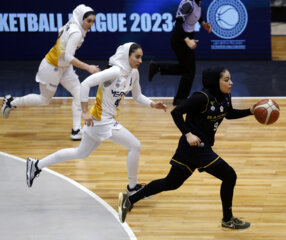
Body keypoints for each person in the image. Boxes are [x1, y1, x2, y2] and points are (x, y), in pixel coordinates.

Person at [119, 67, 253, 230]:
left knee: (171, 183)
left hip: (194, 149)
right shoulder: (201, 98)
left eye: (230, 79)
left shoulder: (225, 96)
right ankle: (227, 219)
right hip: (196, 149)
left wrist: (251, 111)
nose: (231, 82)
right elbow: (176, 113)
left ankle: (129, 200)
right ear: (214, 82)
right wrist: (188, 134)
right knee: (230, 176)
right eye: (226, 80)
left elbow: (228, 113)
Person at [25, 42, 168, 195]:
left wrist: (153, 104)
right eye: (137, 57)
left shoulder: (133, 73)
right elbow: (86, 83)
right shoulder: (114, 71)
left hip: (101, 120)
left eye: (141, 57)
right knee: (135, 146)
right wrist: (85, 111)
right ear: (127, 56)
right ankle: (132, 188)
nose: (140, 60)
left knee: (80, 153)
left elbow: (138, 95)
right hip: (101, 120)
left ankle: (36, 164)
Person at [1, 4, 101, 140]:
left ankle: (76, 130)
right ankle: (11, 102)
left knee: (79, 93)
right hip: (51, 67)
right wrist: (88, 67)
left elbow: (60, 32)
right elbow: (68, 57)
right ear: (80, 18)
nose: (91, 24)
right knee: (44, 100)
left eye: (93, 21)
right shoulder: (76, 32)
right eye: (88, 21)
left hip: (64, 67)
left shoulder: (73, 23)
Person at [148, 0, 212, 106]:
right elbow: (178, 24)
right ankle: (180, 99)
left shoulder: (197, 2)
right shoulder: (188, 4)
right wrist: (187, 40)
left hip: (187, 37)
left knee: (186, 68)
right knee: (189, 70)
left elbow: (195, 14)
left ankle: (158, 67)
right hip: (180, 39)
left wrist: (203, 23)